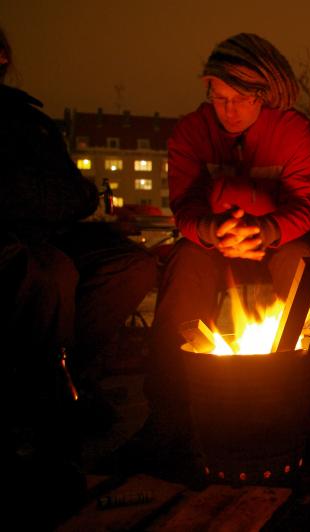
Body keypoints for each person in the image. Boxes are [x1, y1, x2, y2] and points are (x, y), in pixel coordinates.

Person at [135, 33, 310, 475]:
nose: (228, 109)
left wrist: (267, 230)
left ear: (266, 97)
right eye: (218, 97)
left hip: (273, 241)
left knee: (303, 266)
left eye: (240, 98)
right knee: (184, 266)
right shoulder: (190, 133)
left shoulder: (293, 132)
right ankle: (168, 411)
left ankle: (301, 398)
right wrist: (210, 229)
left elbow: (308, 203)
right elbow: (184, 206)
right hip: (211, 245)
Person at [0, 26, 157, 527]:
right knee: (49, 273)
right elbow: (34, 194)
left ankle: (73, 375)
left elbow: (70, 189)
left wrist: (79, 200)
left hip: (50, 232)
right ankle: (50, 422)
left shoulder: (29, 120)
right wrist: (63, 199)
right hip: (14, 240)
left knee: (131, 264)